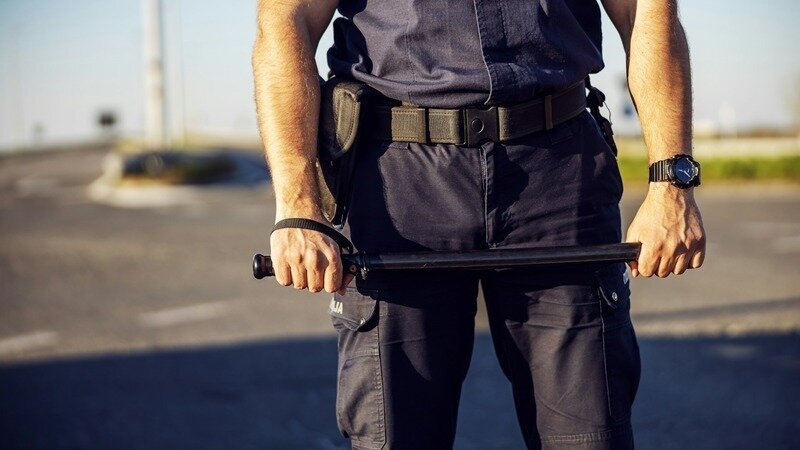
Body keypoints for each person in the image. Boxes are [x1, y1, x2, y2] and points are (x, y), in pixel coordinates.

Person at [252, 0, 706, 448]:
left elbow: (646, 9)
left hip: (559, 173)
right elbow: (286, 16)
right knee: (394, 438)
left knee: (590, 437)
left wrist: (672, 181)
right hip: (395, 183)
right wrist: (298, 205)